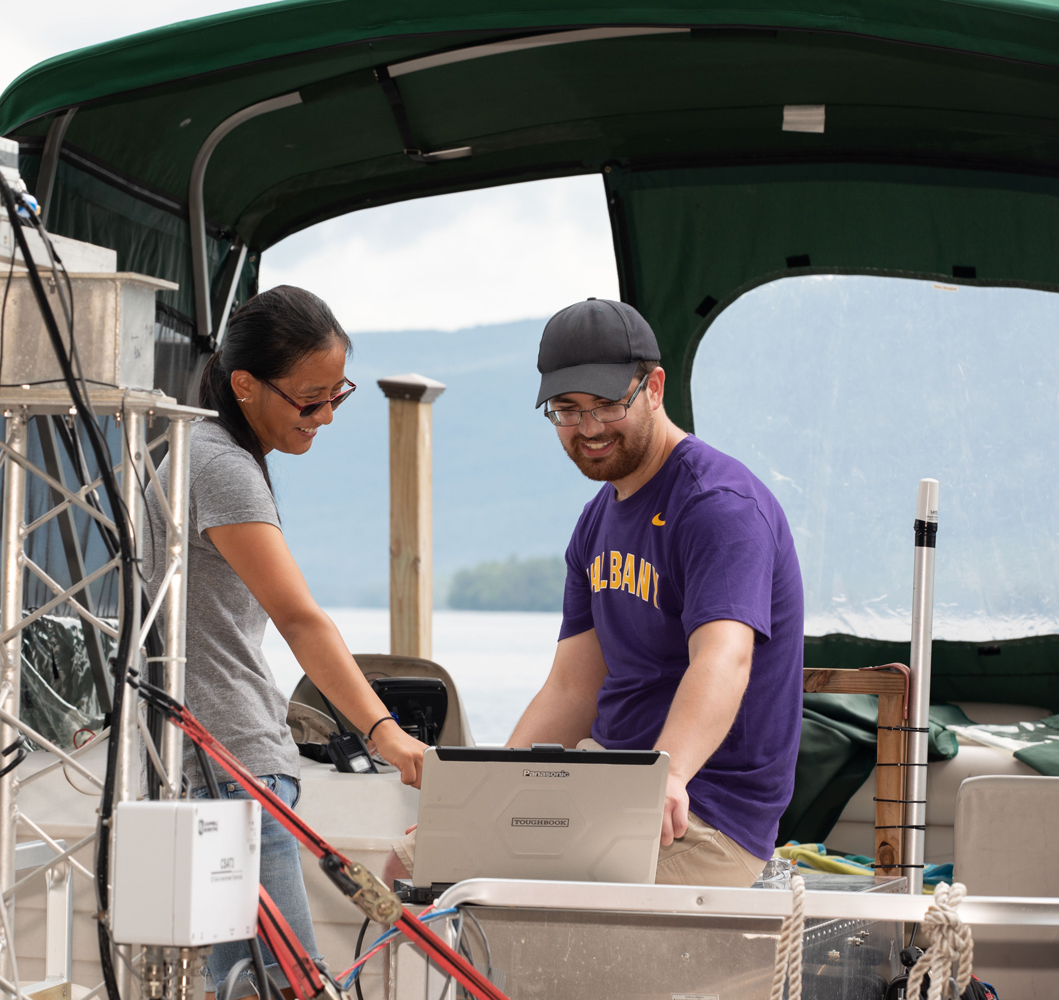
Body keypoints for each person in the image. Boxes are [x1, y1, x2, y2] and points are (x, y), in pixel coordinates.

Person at [387, 297, 803, 888]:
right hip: (600, 784)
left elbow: (724, 658)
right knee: (406, 870)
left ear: (654, 387)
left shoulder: (718, 507)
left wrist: (669, 777)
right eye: (566, 410)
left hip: (704, 813)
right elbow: (572, 687)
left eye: (608, 405)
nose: (588, 429)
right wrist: (481, 800)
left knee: (507, 897)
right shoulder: (596, 522)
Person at [142, 285, 428, 999]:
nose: (326, 415)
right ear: (244, 385)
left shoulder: (196, 452)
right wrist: (386, 735)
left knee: (243, 983)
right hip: (232, 766)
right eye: (310, 400)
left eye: (339, 395)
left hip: (200, 762)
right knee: (288, 983)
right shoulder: (221, 467)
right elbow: (300, 621)